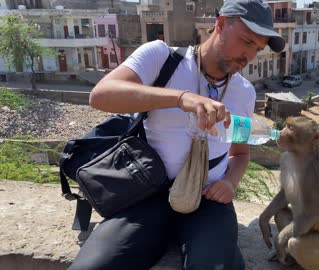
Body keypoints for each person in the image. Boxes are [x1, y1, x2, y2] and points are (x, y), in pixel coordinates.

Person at [68, 0, 285, 270]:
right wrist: (181, 98)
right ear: (219, 24)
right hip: (148, 193)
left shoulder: (244, 91)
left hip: (208, 201)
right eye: (246, 41)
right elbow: (101, 96)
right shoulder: (162, 58)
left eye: (257, 48)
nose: (249, 55)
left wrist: (230, 182)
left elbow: (239, 153)